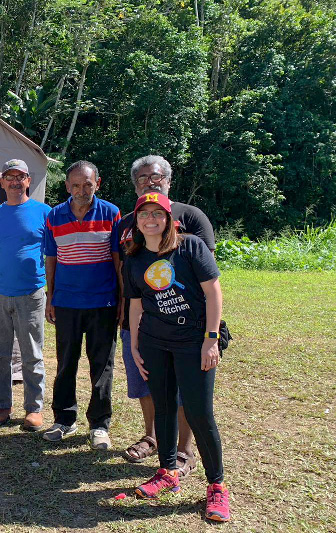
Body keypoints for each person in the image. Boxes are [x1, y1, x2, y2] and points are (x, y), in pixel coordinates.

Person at [124, 192, 230, 522]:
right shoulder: (134, 256)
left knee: (199, 413)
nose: (150, 219)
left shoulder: (190, 247)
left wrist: (211, 340)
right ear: (137, 221)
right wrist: (134, 346)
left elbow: (213, 292)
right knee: (165, 408)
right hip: (156, 343)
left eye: (158, 213)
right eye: (144, 214)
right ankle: (167, 472)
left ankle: (217, 487)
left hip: (193, 342)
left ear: (169, 219)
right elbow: (136, 304)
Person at [118, 155, 216, 477]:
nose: (150, 180)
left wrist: (210, 335)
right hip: (147, 329)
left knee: (190, 397)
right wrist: (130, 331)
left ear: (168, 180)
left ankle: (186, 451)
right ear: (135, 185)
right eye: (143, 177)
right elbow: (128, 281)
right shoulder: (126, 226)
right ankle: (156, 442)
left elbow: (208, 281)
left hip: (190, 331)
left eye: (156, 175)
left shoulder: (192, 220)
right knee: (152, 390)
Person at [43, 161, 121, 449]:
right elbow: (51, 260)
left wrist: (122, 300)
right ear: (67, 186)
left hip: (103, 301)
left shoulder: (111, 213)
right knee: (66, 363)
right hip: (67, 303)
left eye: (87, 184)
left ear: (97, 184)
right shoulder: (54, 216)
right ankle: (64, 419)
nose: (82, 190)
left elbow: (118, 260)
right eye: (75, 184)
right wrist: (51, 298)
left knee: (102, 365)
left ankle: (99, 426)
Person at [0, 159, 51, 431]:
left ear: (28, 181)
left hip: (31, 293)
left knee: (31, 354)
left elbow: (54, 255)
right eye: (9, 177)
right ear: (1, 182)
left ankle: (34, 409)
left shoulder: (44, 212)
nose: (14, 181)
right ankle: (2, 405)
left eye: (20, 176)